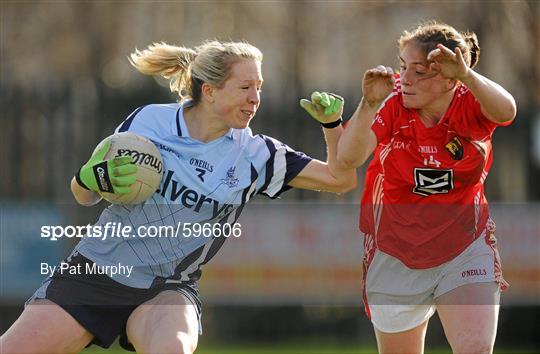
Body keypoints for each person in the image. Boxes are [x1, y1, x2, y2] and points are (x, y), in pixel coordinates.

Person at [0, 40, 356, 353]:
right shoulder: (148, 122)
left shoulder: (257, 154)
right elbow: (85, 195)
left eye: (259, 88)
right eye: (245, 87)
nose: (255, 99)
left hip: (166, 288)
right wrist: (86, 177)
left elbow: (340, 179)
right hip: (94, 272)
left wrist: (332, 125)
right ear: (210, 91)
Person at [337, 21, 516, 354]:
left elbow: (507, 111)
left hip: (464, 246)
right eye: (404, 68)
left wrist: (468, 76)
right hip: (396, 251)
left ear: (449, 76)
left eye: (419, 72)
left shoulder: (470, 102)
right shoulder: (392, 104)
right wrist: (368, 103)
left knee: (475, 348)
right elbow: (348, 159)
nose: (405, 79)